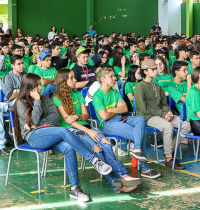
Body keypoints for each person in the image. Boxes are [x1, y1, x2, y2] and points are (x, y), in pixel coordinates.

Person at [14, 73, 112, 201]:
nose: (40, 88)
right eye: (37, 85)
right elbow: (35, 119)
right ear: (29, 87)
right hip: (34, 137)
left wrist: (38, 123)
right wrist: (37, 100)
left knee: (68, 148)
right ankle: (94, 160)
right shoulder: (21, 102)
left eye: (40, 85)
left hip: (50, 133)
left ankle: (75, 189)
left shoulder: (46, 99)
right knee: (63, 131)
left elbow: (54, 119)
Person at [53, 70, 140, 193]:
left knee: (106, 144)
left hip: (86, 126)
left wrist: (77, 116)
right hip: (72, 131)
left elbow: (85, 116)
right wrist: (88, 131)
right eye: (72, 78)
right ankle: (118, 181)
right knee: (97, 148)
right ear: (63, 82)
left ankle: (122, 177)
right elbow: (68, 121)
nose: (75, 80)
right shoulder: (57, 98)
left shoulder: (77, 95)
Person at [92, 67, 161, 179]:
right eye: (111, 76)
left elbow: (124, 109)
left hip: (121, 118)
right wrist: (115, 109)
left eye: (114, 76)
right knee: (138, 134)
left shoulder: (115, 91)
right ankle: (145, 169)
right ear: (103, 79)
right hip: (108, 124)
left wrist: (110, 110)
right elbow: (104, 117)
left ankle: (137, 149)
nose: (115, 78)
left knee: (140, 119)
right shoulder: (97, 96)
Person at [134, 59, 190, 170]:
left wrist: (168, 111)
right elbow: (143, 109)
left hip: (161, 114)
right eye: (153, 69)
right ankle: (169, 158)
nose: (156, 71)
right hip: (147, 117)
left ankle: (169, 149)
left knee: (186, 125)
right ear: (145, 71)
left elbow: (164, 103)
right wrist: (162, 113)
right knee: (168, 126)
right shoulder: (140, 87)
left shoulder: (157, 86)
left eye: (156, 68)